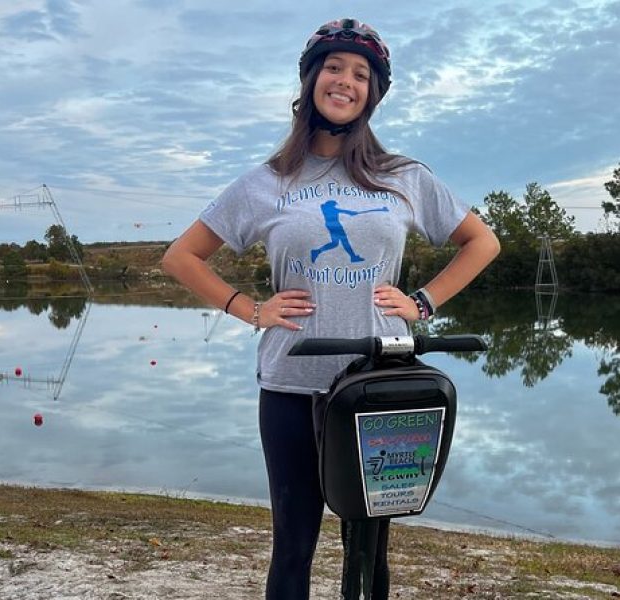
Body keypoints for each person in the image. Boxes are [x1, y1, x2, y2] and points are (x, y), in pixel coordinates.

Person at [162, 18, 500, 599]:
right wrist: (250, 308)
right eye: (335, 67)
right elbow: (181, 256)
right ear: (311, 78)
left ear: (373, 94)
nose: (346, 81)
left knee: (369, 547)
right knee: (293, 544)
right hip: (291, 382)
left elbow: (483, 242)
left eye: (361, 74)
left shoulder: (403, 178)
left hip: (380, 383)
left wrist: (420, 302)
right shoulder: (267, 182)